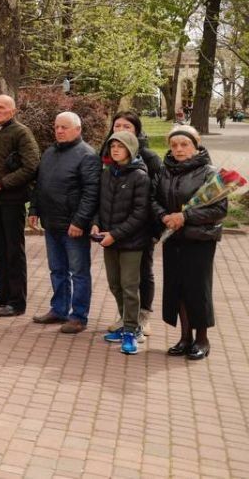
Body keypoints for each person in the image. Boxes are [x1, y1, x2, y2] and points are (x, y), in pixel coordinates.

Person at [154, 126, 227, 361]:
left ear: (195, 146)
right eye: (174, 145)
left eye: (184, 144)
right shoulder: (164, 172)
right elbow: (153, 200)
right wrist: (165, 216)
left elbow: (219, 209)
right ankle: (185, 338)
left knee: (197, 289)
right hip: (173, 238)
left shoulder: (209, 173)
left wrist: (185, 216)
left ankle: (202, 340)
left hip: (199, 239)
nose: (178, 149)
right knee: (177, 289)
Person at [28, 112, 101, 328]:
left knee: (78, 272)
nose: (59, 131)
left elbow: (91, 193)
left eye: (64, 127)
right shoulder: (50, 152)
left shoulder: (87, 155)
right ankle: (59, 309)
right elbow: (39, 185)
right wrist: (33, 209)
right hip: (51, 223)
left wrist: (79, 222)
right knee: (57, 270)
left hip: (73, 226)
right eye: (57, 126)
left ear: (78, 130)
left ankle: (78, 316)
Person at [93, 130, 152, 353]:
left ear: (131, 149)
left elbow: (140, 214)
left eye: (121, 146)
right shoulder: (108, 172)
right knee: (114, 284)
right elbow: (100, 203)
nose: (115, 150)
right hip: (110, 240)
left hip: (131, 242)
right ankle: (128, 324)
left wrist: (115, 234)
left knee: (129, 287)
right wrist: (96, 223)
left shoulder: (140, 176)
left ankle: (131, 331)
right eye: (112, 146)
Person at [105, 111, 163, 337]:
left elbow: (155, 196)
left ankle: (142, 317)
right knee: (120, 280)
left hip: (142, 229)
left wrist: (156, 228)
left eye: (126, 126)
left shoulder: (148, 158)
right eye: (116, 125)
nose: (120, 129)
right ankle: (127, 318)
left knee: (142, 273)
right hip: (116, 228)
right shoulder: (109, 154)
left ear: (136, 131)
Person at [0, 95, 40, 316]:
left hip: (12, 200)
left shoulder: (21, 132)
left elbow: (31, 166)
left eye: (2, 108)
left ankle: (17, 302)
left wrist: (2, 184)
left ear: (13, 111)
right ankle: (2, 294)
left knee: (14, 251)